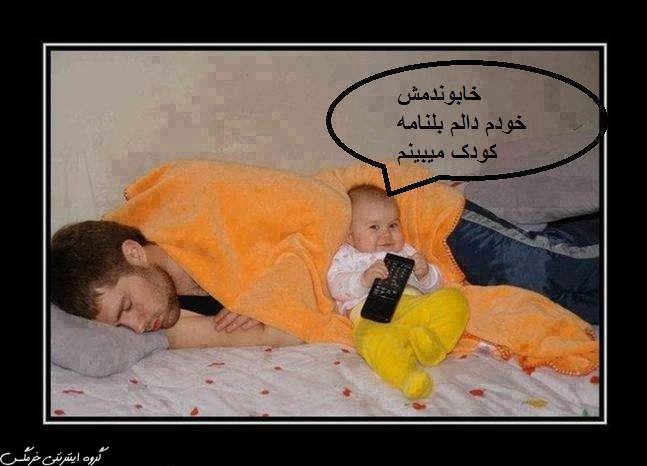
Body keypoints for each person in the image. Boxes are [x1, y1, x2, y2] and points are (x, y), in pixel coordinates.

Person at [51, 220, 303, 349]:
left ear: (134, 253)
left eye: (126, 306)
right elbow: (287, 334)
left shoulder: (204, 228)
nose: (138, 328)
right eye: (120, 326)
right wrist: (272, 307)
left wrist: (272, 287)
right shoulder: (175, 327)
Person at [327, 185, 469, 399]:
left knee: (454, 300)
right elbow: (336, 287)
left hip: (412, 306)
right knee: (373, 341)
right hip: (372, 314)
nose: (386, 234)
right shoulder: (347, 256)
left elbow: (435, 286)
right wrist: (363, 280)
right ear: (350, 236)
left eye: (393, 225)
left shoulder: (406, 251)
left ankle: (433, 345)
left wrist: (425, 273)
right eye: (374, 227)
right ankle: (406, 376)